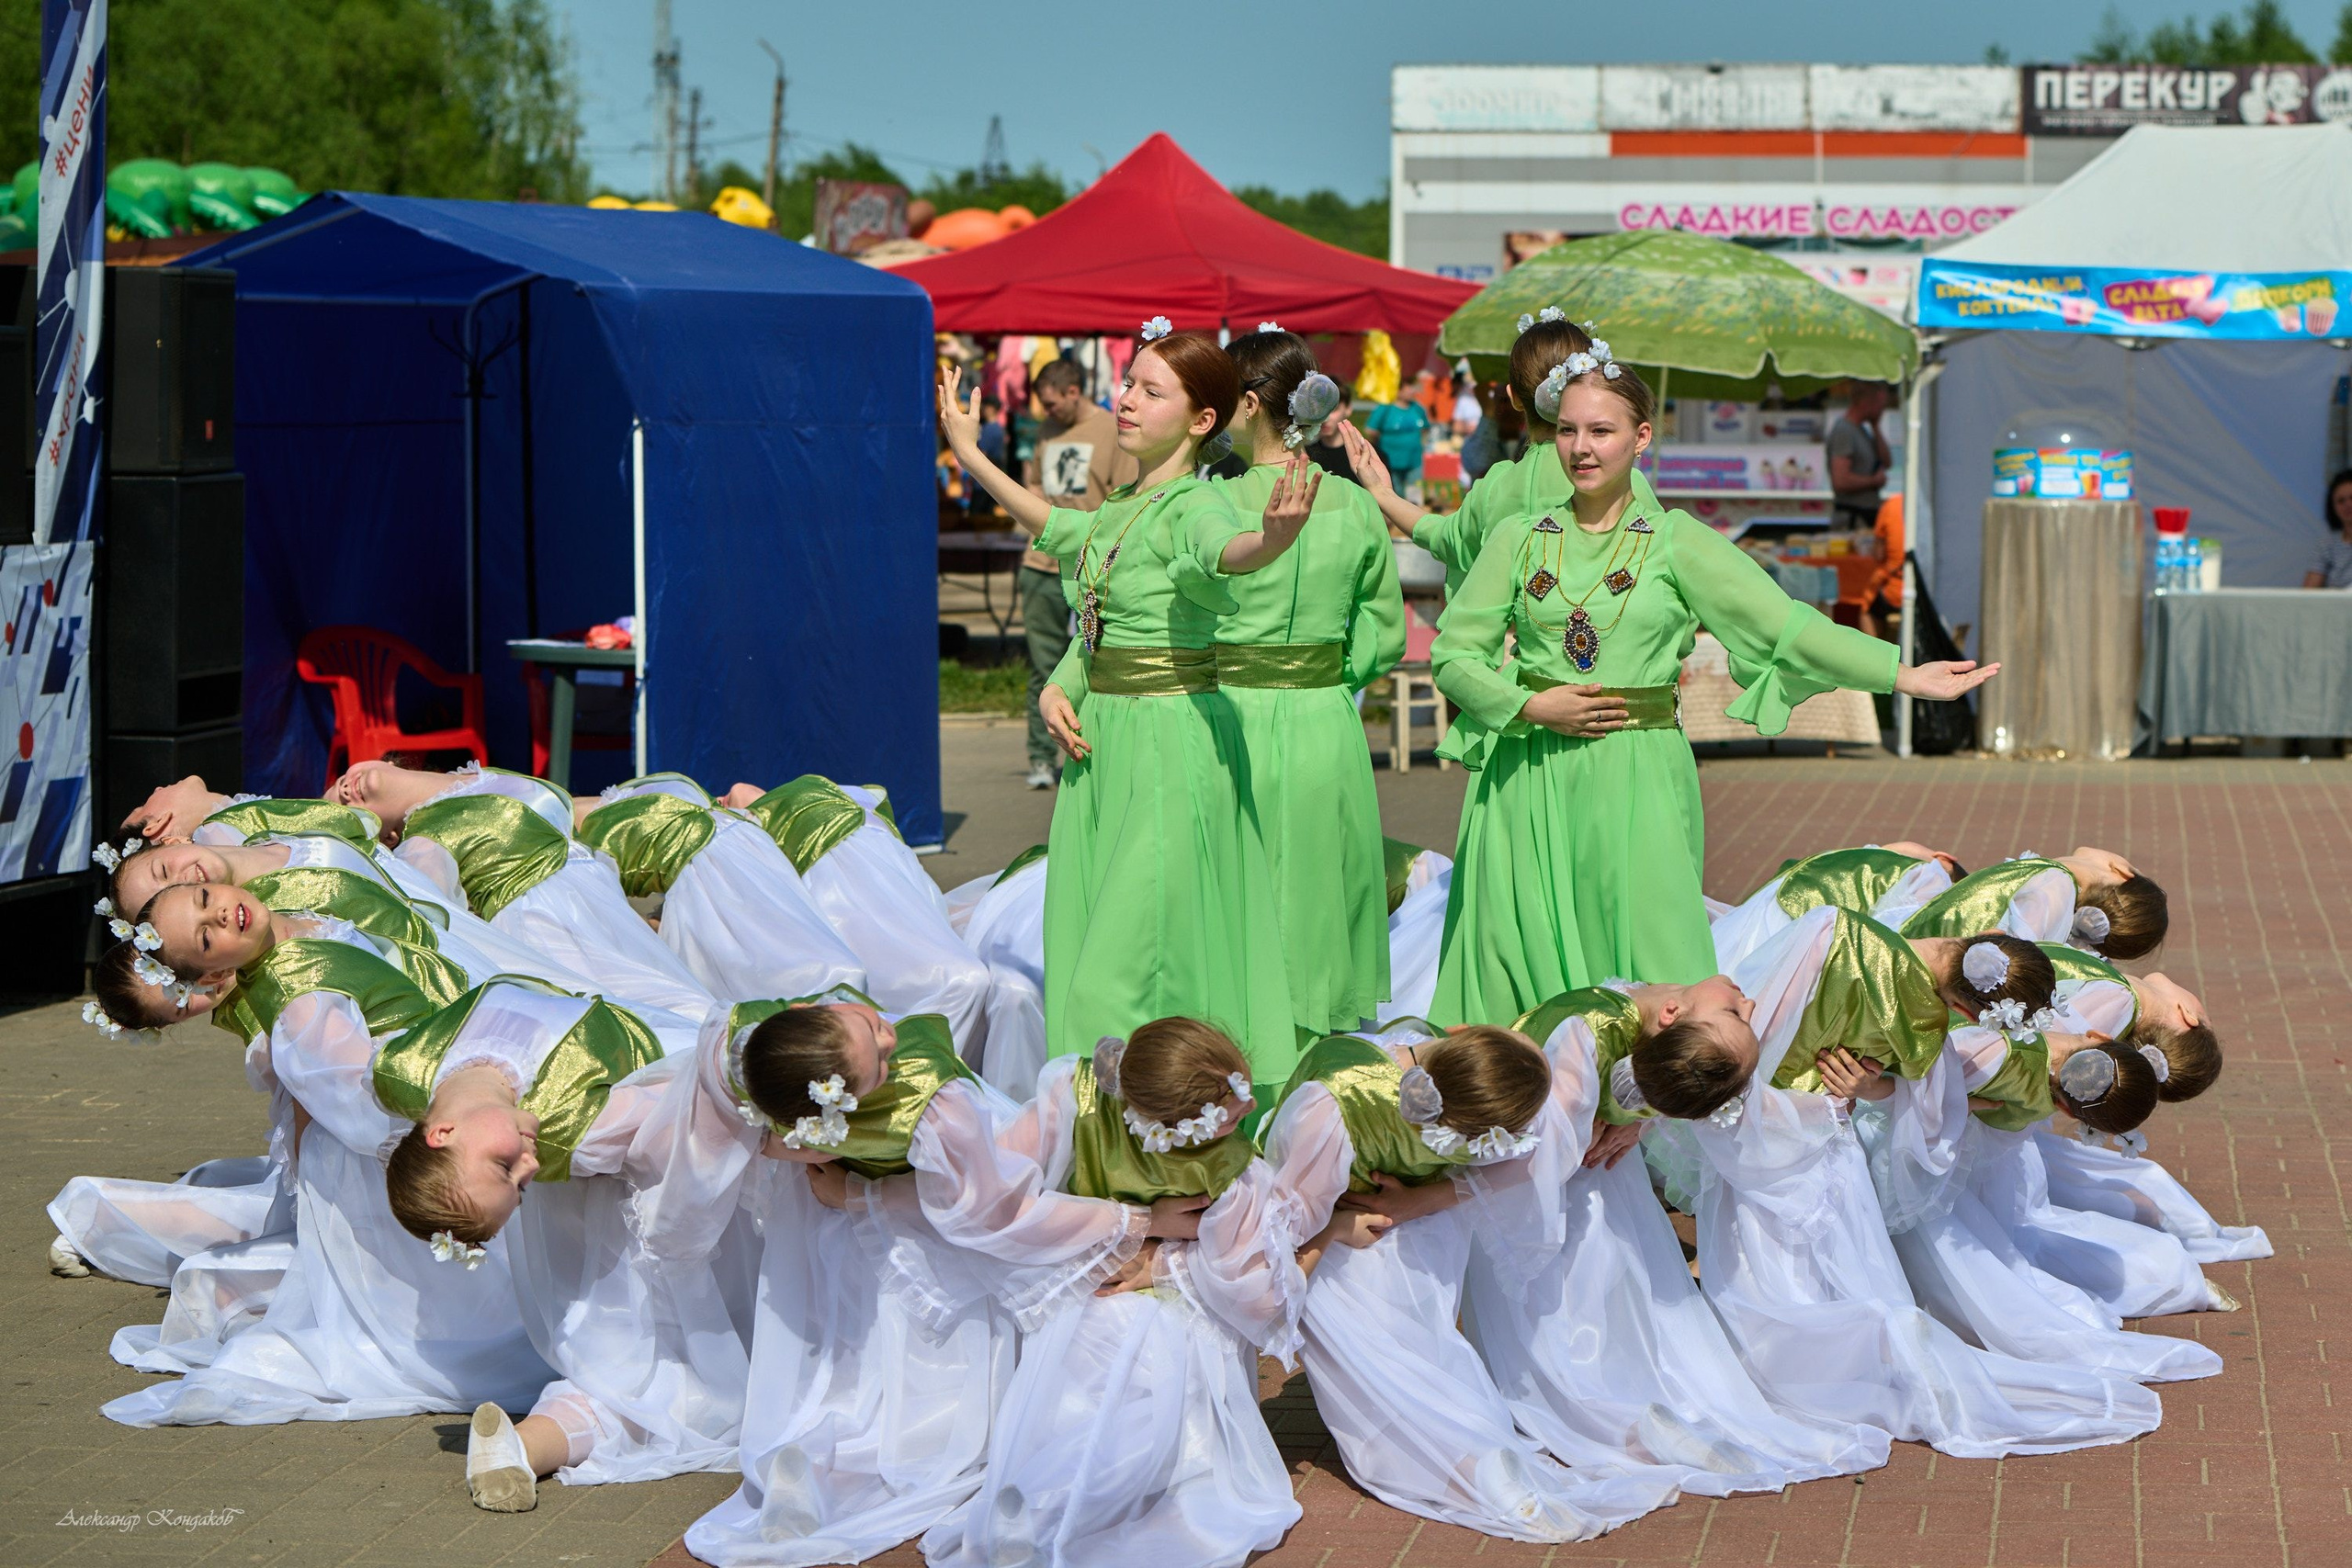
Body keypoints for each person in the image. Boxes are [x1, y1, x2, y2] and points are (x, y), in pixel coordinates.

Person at [1426, 338, 1995, 1024]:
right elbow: (1454, 654)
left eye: (1601, 431)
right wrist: (1527, 703)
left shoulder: (1674, 540)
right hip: (1524, 777)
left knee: (1656, 961)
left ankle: (1654, 1120)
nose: (1581, 447)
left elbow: (1784, 624)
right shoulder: (1518, 536)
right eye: (1569, 429)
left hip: (1637, 776)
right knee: (1516, 966)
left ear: (1641, 438)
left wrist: (1900, 673)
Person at [934, 320, 1318, 1097]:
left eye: (1151, 390)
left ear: (1205, 419)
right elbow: (1064, 535)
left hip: (1167, 743)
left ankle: (1158, 1100)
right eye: (1129, 383)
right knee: (1099, 930)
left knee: (1139, 944)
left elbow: (1222, 549)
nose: (1127, 400)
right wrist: (971, 455)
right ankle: (1117, 1105)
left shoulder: (1191, 506)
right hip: (1104, 747)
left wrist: (1270, 542)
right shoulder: (1123, 506)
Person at [919, 1020, 1335, 1568]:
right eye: (1232, 1112)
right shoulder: (1226, 1169)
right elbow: (1251, 1291)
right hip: (1139, 1295)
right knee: (1155, 1416)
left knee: (1093, 1397)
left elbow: (1001, 1193)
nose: (1249, 1105)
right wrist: (1148, 1235)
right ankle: (1065, 1502)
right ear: (1176, 1124)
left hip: (1095, 1289)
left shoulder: (1075, 1091)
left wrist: (1140, 1250)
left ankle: (1037, 1499)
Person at [1259, 1017, 1685, 1540]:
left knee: (1386, 1360)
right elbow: (1293, 1221)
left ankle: (1464, 1459)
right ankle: (1478, 1444)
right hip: (1395, 1234)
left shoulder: (1359, 1091)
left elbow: (1287, 1217)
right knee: (1421, 1347)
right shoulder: (1346, 1105)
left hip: (1371, 1234)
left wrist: (1345, 1226)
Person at [1212, 326, 1406, 1039]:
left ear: (1254, 404)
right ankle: (1314, 1060)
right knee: (1322, 891)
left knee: (1236, 892)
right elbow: (1383, 637)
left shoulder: (1213, 505)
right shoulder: (1354, 505)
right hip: (1325, 716)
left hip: (1227, 715)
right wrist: (1325, 677)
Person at [1342, 308, 1584, 599]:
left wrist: (1382, 493)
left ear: (1514, 398)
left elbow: (1445, 538)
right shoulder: (1624, 482)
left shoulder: (1499, 484)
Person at [1020, 359, 1140, 789]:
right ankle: (1039, 755)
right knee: (1043, 664)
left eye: (1053, 404)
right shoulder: (1046, 431)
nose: (1047, 413)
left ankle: (1093, 748)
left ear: (1073, 391)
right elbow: (1034, 486)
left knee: (1097, 661)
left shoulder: (1113, 428)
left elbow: (1124, 496)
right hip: (1041, 562)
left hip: (1095, 566)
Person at [1827, 381, 1893, 532]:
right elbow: (1840, 480)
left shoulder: (1863, 431)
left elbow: (1887, 462)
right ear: (1868, 401)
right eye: (1881, 405)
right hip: (1852, 517)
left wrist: (1876, 427)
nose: (1882, 410)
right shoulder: (1844, 431)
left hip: (1867, 514)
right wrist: (1873, 481)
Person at [1363, 383, 1430, 502]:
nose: (1412, 391)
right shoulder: (1385, 407)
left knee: (1415, 494)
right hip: (1391, 461)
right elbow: (1371, 429)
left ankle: (1416, 517)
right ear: (1398, 390)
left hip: (1414, 460)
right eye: (1408, 387)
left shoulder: (1417, 408)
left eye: (1412, 387)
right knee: (1396, 495)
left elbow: (1425, 428)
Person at [2302, 468, 2352, 588]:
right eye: (2341, 501)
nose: (2348, 504)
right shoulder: (2326, 545)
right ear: (2333, 508)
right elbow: (2309, 592)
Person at [1303, 389, 1356, 479]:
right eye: (1319, 410)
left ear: (1348, 408)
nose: (1325, 418)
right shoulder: (1305, 456)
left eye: (1333, 410)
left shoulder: (1366, 455)